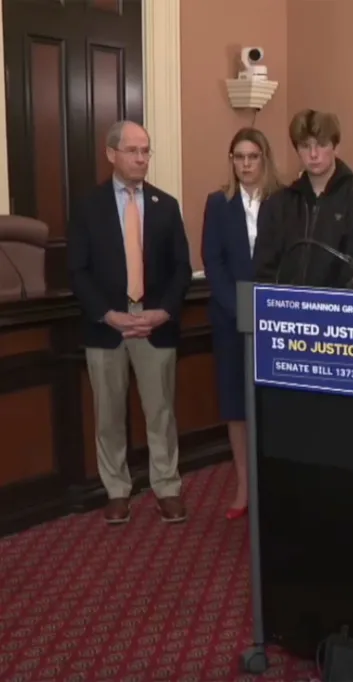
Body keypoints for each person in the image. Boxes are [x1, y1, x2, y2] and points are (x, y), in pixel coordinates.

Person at [67, 120, 192, 524]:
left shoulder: (166, 205)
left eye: (146, 151)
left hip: (156, 324)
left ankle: (167, 487)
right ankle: (117, 490)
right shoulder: (88, 206)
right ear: (111, 154)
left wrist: (162, 311)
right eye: (133, 150)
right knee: (109, 414)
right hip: (107, 325)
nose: (141, 158)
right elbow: (78, 270)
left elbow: (182, 269)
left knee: (161, 413)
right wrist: (109, 314)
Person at [201, 127, 283, 520]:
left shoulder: (283, 202)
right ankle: (243, 488)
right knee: (236, 406)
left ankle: (275, 486)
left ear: (264, 159)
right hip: (231, 318)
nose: (246, 164)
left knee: (272, 404)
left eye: (252, 157)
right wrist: (238, 311)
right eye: (239, 157)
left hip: (275, 318)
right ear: (231, 160)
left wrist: (270, 311)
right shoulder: (218, 203)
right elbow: (212, 262)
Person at [252, 110, 353, 287]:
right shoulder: (278, 204)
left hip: (340, 309)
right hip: (286, 308)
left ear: (335, 146)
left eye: (321, 144)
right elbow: (263, 270)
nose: (313, 154)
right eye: (305, 146)